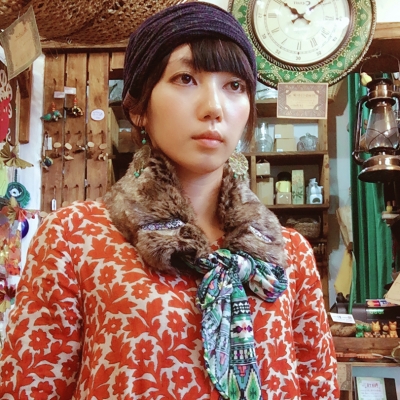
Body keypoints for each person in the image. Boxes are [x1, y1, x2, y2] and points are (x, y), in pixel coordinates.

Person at [0, 2, 339, 399]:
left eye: (234, 86)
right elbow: (29, 387)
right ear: (140, 108)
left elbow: (318, 386)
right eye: (185, 78)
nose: (214, 108)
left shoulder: (288, 255)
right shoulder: (75, 239)